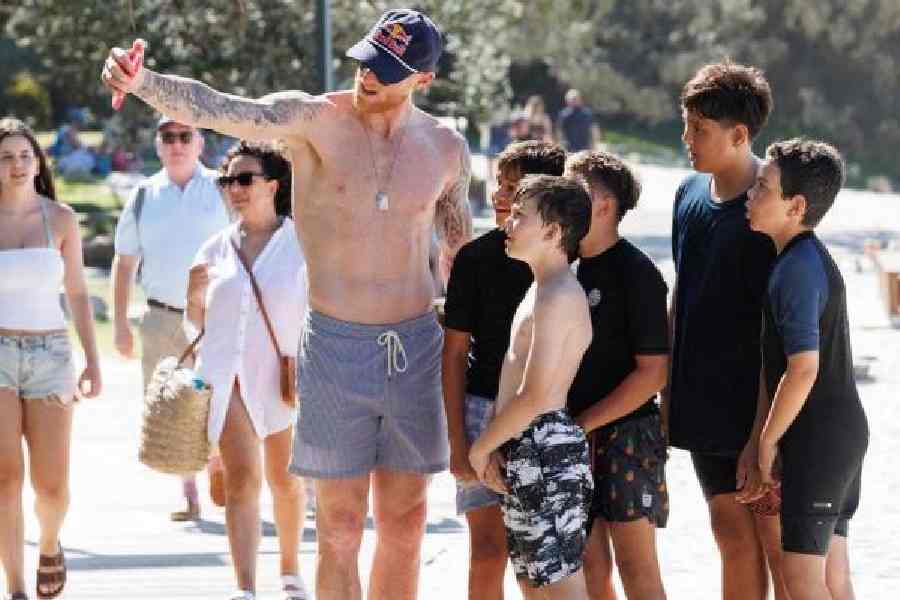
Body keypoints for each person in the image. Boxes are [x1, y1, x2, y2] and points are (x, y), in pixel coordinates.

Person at [102, 9, 472, 599]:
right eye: (365, 61)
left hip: (414, 347)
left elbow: (460, 250)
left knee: (405, 523)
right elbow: (224, 109)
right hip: (336, 344)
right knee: (340, 525)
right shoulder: (313, 120)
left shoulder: (445, 147)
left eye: (386, 70)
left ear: (422, 80)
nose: (367, 76)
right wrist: (142, 81)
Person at [663, 62, 787, 599]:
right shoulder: (687, 194)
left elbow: (778, 333)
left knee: (780, 547)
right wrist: (668, 392)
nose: (687, 138)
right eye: (685, 125)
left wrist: (762, 434)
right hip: (702, 406)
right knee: (730, 536)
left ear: (739, 135)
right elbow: (682, 293)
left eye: (700, 129)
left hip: (759, 409)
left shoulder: (769, 211)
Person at [741, 139, 868, 600]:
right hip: (837, 435)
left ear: (795, 207)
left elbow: (802, 370)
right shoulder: (801, 260)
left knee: (801, 581)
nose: (751, 194)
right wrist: (763, 436)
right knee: (833, 580)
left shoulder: (797, 268)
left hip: (819, 440)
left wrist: (766, 442)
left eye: (762, 187)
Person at [186, 141, 309, 600]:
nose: (234, 189)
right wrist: (192, 296)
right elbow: (196, 324)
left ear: (273, 186)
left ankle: (290, 570)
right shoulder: (214, 249)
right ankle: (245, 587)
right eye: (227, 181)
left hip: (282, 378)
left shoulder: (302, 245)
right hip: (226, 379)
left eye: (244, 179)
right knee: (241, 481)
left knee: (286, 481)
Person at [443, 140, 565, 600]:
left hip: (544, 417)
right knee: (488, 552)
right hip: (481, 410)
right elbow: (454, 353)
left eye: (512, 189)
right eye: (498, 183)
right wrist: (459, 442)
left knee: (540, 560)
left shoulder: (565, 262)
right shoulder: (475, 259)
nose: (498, 196)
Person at [470, 175, 593, 600]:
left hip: (545, 446)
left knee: (561, 585)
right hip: (526, 445)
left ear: (553, 232)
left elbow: (538, 394)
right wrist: (499, 442)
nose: (508, 221)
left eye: (521, 215)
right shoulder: (540, 288)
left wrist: (482, 446)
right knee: (535, 584)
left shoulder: (559, 294)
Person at [0, 117, 102, 600]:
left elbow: (78, 293)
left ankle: (48, 544)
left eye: (26, 156)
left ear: (39, 163)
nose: (17, 165)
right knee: (5, 480)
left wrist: (93, 359)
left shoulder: (59, 219)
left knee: (52, 488)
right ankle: (17, 589)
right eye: (6, 157)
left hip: (51, 355)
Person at [111, 117, 230, 522]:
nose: (177, 144)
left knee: (223, 399)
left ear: (200, 142)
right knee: (172, 407)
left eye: (185, 136)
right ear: (158, 144)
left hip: (216, 317)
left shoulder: (223, 188)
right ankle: (189, 493)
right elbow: (125, 262)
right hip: (162, 316)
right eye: (168, 137)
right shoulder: (144, 195)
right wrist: (120, 324)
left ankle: (220, 468)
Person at [565, 151, 669, 600]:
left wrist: (586, 423)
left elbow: (653, 373)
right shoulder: (564, 265)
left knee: (636, 567)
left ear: (604, 205)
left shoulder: (637, 273)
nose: (562, 197)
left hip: (629, 435)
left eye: (573, 189)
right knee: (590, 567)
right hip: (572, 434)